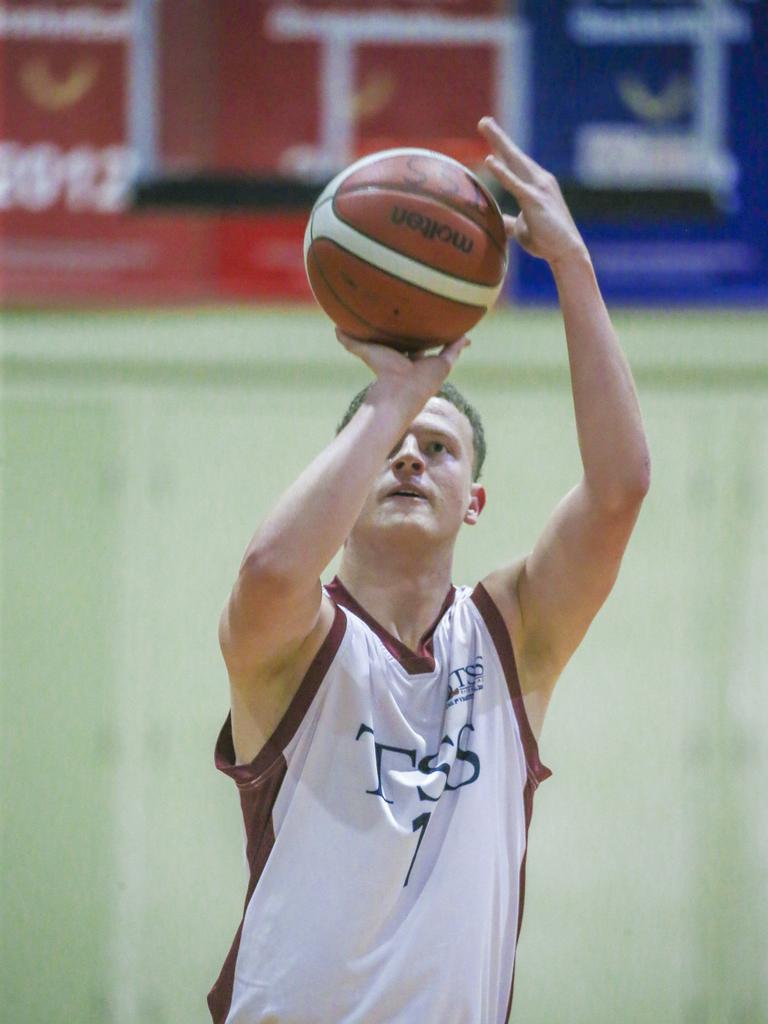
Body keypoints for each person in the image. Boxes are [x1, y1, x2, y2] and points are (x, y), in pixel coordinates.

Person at [207, 116, 650, 1024]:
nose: (409, 459)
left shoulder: (511, 636)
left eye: (439, 450)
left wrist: (572, 265)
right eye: (389, 449)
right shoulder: (298, 646)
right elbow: (267, 570)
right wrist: (397, 395)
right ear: (348, 479)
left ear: (474, 503)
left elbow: (619, 491)